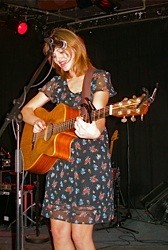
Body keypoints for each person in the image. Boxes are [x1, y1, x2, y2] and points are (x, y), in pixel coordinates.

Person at [21, 28, 116, 250]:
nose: (58, 59)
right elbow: (25, 110)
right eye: (53, 56)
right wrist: (35, 120)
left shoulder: (98, 77)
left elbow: (99, 114)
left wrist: (95, 130)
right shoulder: (56, 83)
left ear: (76, 47)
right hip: (59, 163)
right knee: (58, 232)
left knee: (80, 237)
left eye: (61, 52)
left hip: (88, 164)